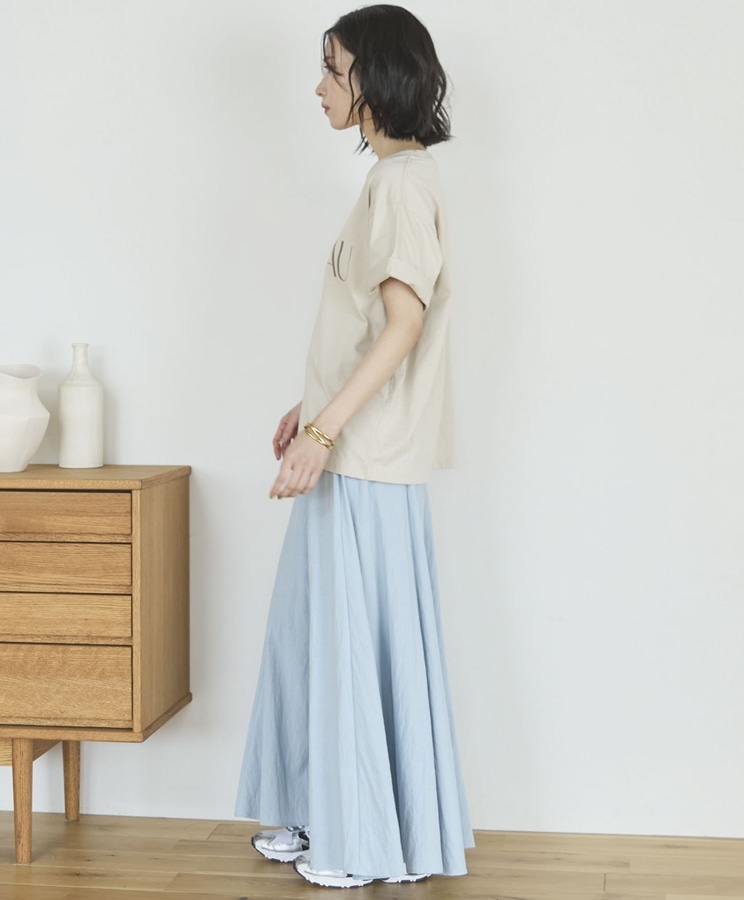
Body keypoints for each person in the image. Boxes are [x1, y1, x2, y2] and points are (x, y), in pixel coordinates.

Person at [235, 4, 473, 888]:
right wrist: (310, 406)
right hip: (349, 448)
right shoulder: (389, 180)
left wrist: (326, 428)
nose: (320, 88)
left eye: (333, 71)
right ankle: (324, 814)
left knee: (346, 647)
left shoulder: (401, 185)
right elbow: (366, 325)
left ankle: (362, 841)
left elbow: (404, 324)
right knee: (318, 638)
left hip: (364, 456)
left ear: (373, 79)